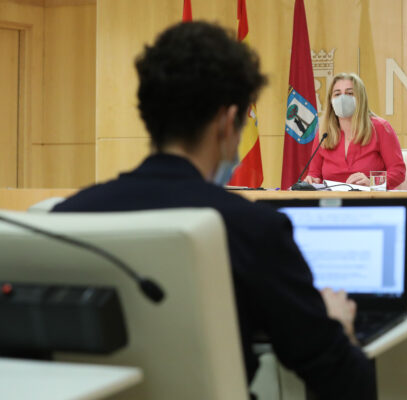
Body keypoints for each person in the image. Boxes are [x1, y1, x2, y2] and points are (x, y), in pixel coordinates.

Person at [52, 22, 375, 399]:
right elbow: (346, 383)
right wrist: (339, 327)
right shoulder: (253, 230)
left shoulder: (67, 218)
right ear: (226, 121)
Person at [303, 73, 406, 190]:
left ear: (360, 98)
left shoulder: (381, 128)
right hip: (333, 199)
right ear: (331, 100)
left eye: (350, 93)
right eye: (337, 94)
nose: (342, 98)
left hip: (370, 198)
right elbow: (314, 174)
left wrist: (372, 183)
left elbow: (398, 171)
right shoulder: (324, 133)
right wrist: (312, 180)